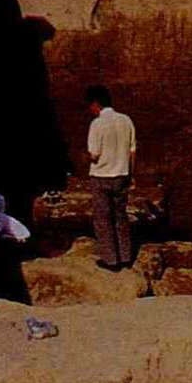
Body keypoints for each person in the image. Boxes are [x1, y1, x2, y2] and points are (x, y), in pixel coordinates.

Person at [83, 85, 137, 271]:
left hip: (101, 175)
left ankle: (110, 260)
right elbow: (132, 151)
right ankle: (125, 256)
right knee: (120, 216)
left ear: (95, 104)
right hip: (122, 174)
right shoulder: (126, 120)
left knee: (103, 218)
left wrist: (87, 158)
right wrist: (131, 174)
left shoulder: (97, 124)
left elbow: (94, 154)